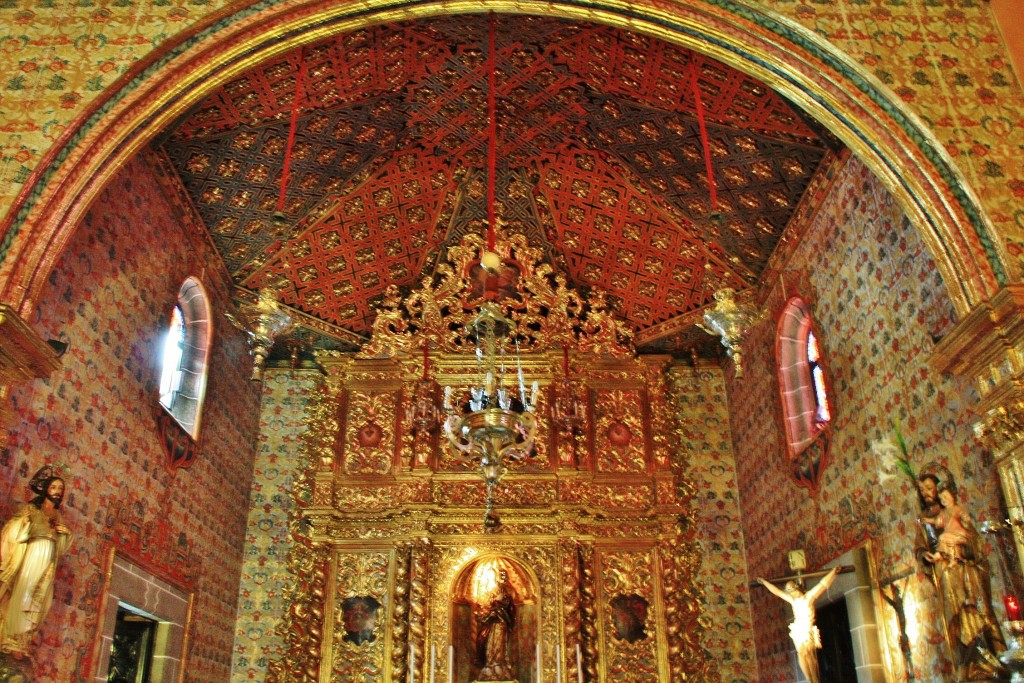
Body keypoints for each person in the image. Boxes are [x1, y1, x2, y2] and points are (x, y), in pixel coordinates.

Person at [922, 484, 1006, 679]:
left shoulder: (958, 514)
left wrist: (963, 550)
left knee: (979, 615)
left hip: (968, 577)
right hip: (951, 577)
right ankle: (968, 663)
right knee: (958, 622)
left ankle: (990, 659)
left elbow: (972, 540)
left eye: (930, 489)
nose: (927, 494)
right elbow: (932, 531)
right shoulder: (940, 518)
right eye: (922, 490)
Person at [0, 465, 73, 657]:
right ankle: (11, 637)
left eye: (61, 489)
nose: (58, 492)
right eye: (54, 487)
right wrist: (23, 524)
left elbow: (60, 547)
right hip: (32, 556)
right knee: (25, 592)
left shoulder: (58, 517)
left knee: (40, 601)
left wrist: (65, 535)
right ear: (46, 489)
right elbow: (14, 530)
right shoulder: (32, 510)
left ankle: (23, 639)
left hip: (48, 563)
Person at [757, 566, 840, 683]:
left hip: (807, 629)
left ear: (797, 589)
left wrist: (833, 572)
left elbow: (823, 584)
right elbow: (776, 591)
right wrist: (764, 582)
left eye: (792, 590)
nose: (791, 593)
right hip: (799, 630)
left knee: (809, 654)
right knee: (802, 653)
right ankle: (809, 679)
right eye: (789, 592)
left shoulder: (809, 597)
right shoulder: (792, 600)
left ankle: (814, 679)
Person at [477, 568, 516, 680]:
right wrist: (491, 610)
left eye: (505, 575)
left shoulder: (507, 591)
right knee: (489, 642)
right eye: (501, 575)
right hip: (491, 623)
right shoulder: (492, 590)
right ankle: (490, 663)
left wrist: (500, 604)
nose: (503, 578)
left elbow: (509, 607)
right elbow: (485, 605)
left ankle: (498, 663)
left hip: (501, 622)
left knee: (500, 643)